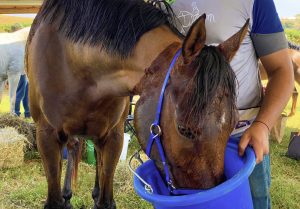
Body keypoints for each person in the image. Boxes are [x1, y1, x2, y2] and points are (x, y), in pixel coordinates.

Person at [169, 0, 294, 209]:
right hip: (185, 141)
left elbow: (282, 70)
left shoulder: (254, 2)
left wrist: (262, 126)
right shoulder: (167, 5)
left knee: (254, 203)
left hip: (242, 139)